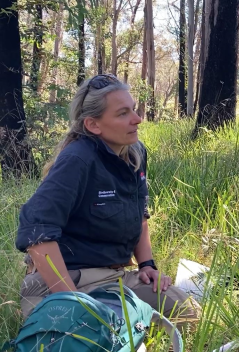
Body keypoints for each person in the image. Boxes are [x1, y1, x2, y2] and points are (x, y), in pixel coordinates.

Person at [16, 74, 198, 322]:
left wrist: (147, 265)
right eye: (123, 114)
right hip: (69, 280)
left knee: (188, 312)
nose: (137, 119)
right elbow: (37, 233)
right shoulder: (77, 160)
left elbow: (140, 215)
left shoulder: (134, 152)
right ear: (93, 125)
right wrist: (72, 302)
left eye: (133, 109)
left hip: (115, 278)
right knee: (104, 335)